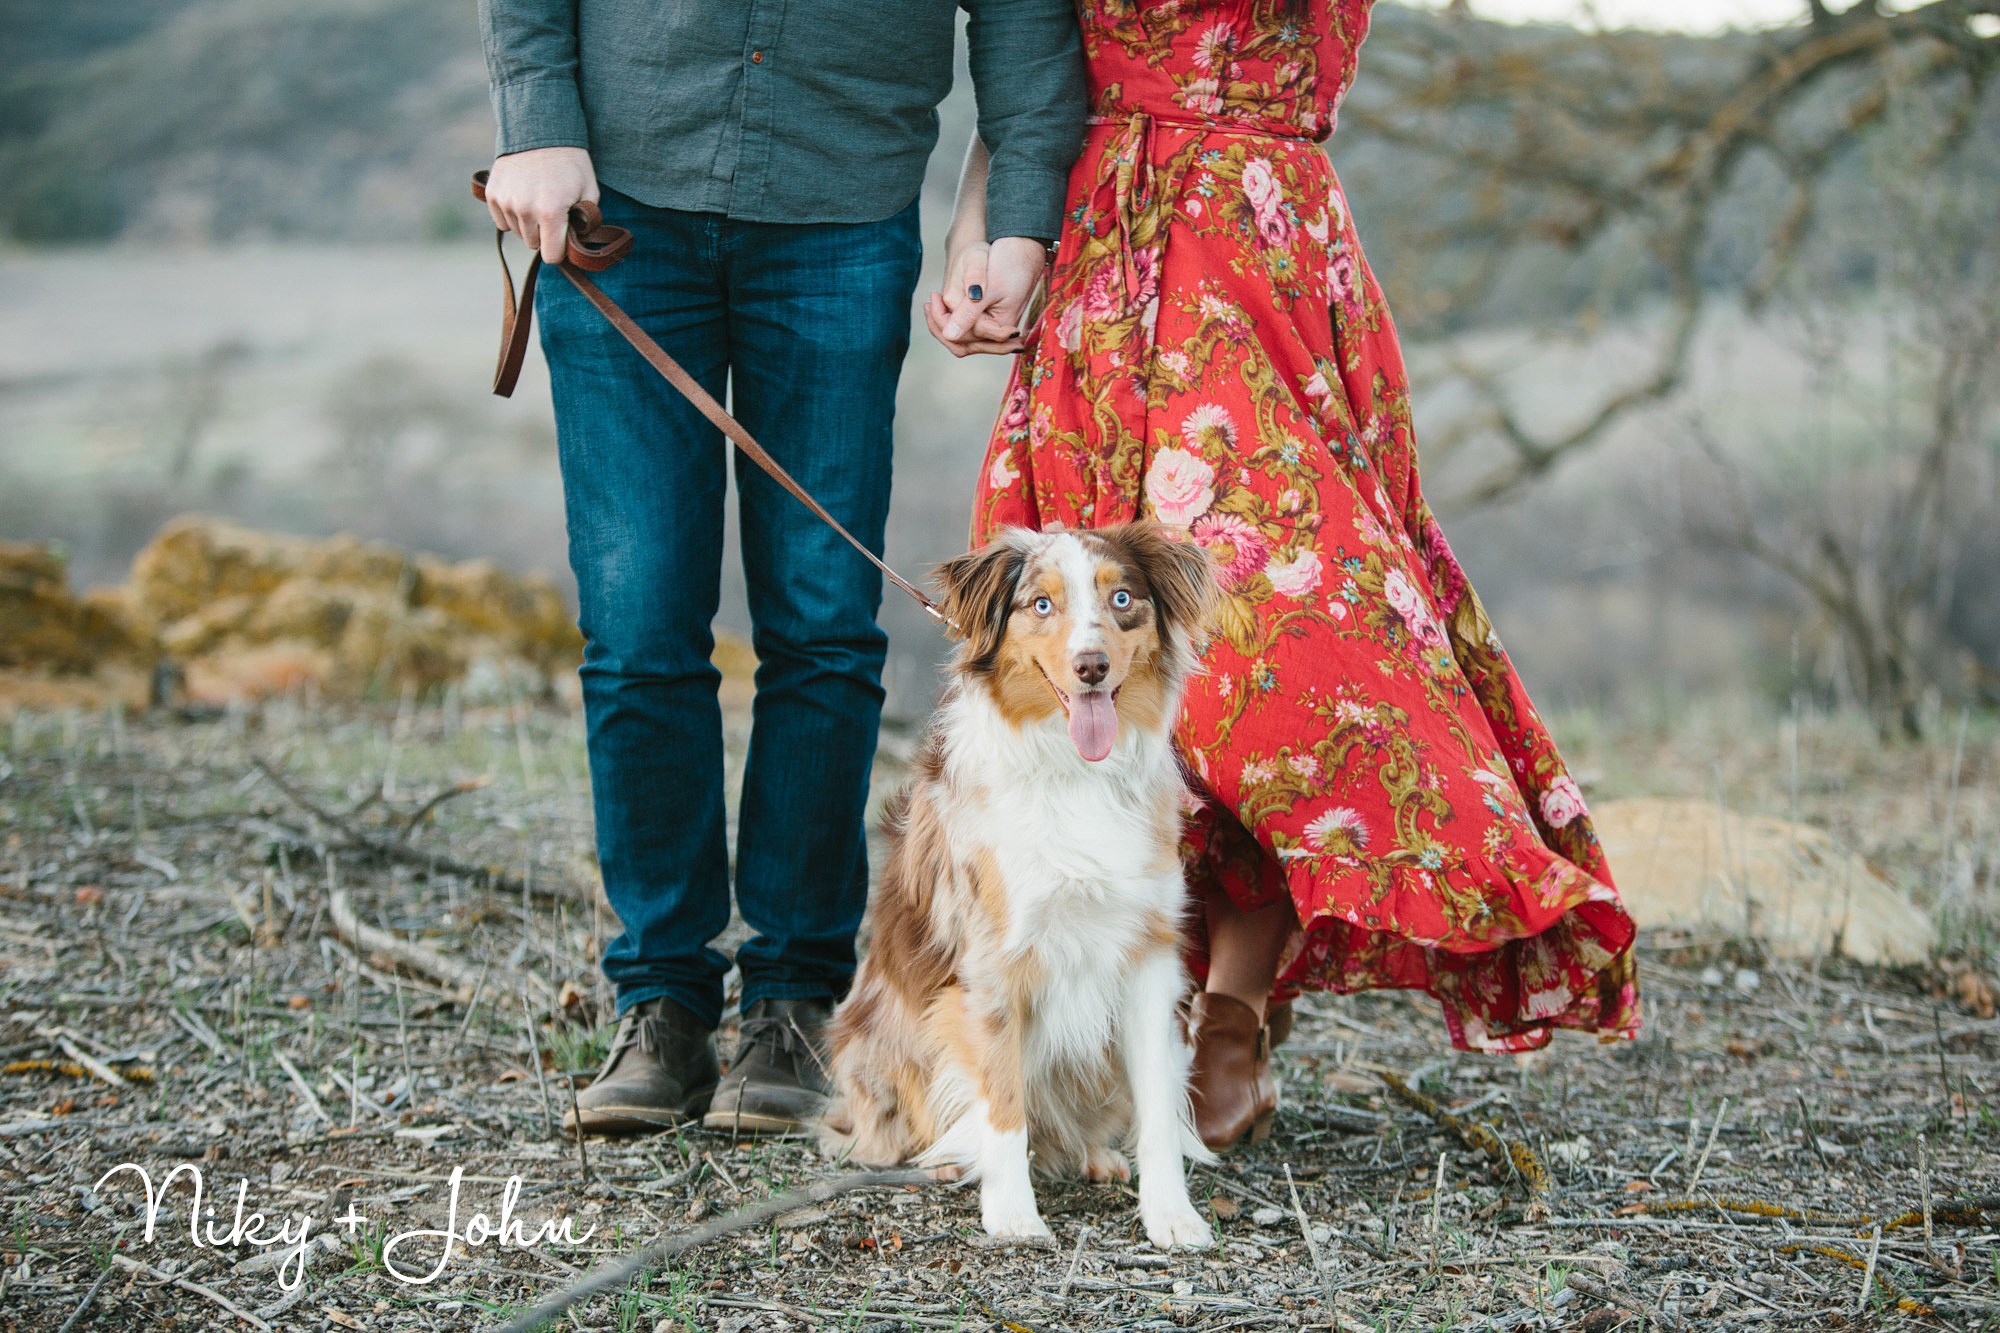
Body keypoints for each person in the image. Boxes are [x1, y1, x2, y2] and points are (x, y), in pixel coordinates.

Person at [932, 0, 1640, 1151]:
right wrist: (978, 240)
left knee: (1273, 669)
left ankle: (1230, 1017)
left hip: (1256, 277)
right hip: (1096, 265)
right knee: (1089, 665)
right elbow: (1027, 82)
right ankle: (1114, 1012)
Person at [477, 1, 1086, 1135]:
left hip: (840, 215)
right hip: (618, 202)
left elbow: (1022, 16)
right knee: (639, 620)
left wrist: (1016, 218)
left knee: (821, 622)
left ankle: (792, 1001)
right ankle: (658, 998)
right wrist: (532, 123)